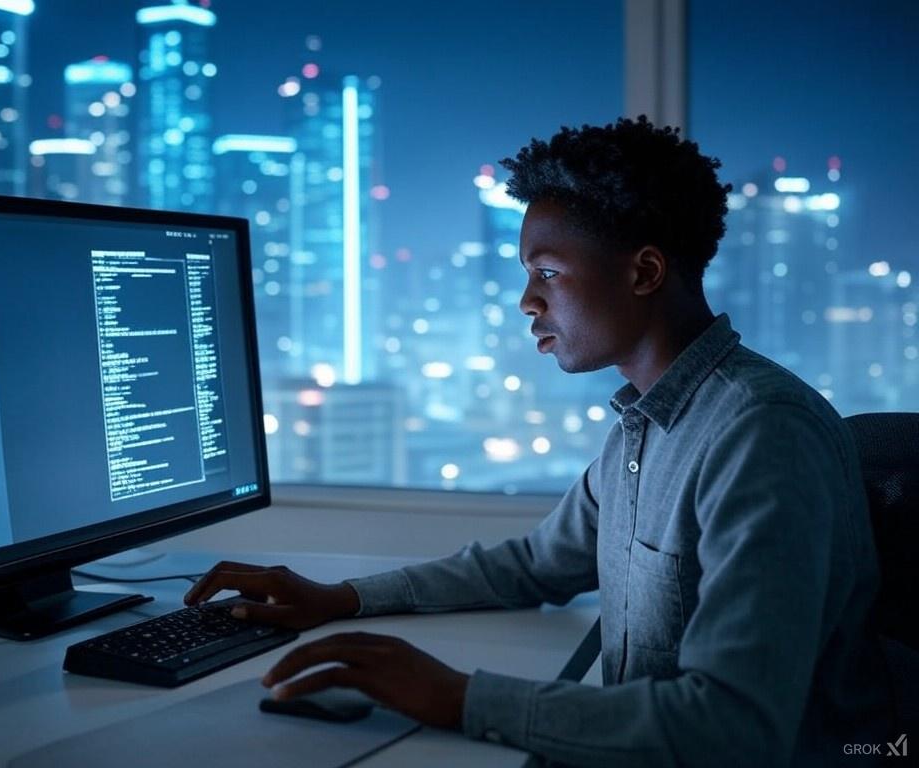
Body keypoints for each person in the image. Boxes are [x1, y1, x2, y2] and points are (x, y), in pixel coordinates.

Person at [185, 116, 891, 767]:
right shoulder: (645, 426)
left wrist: (460, 697)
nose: (528, 301)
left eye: (546, 273)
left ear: (643, 273)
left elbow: (733, 725)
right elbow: (530, 565)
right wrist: (339, 597)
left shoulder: (759, 435)